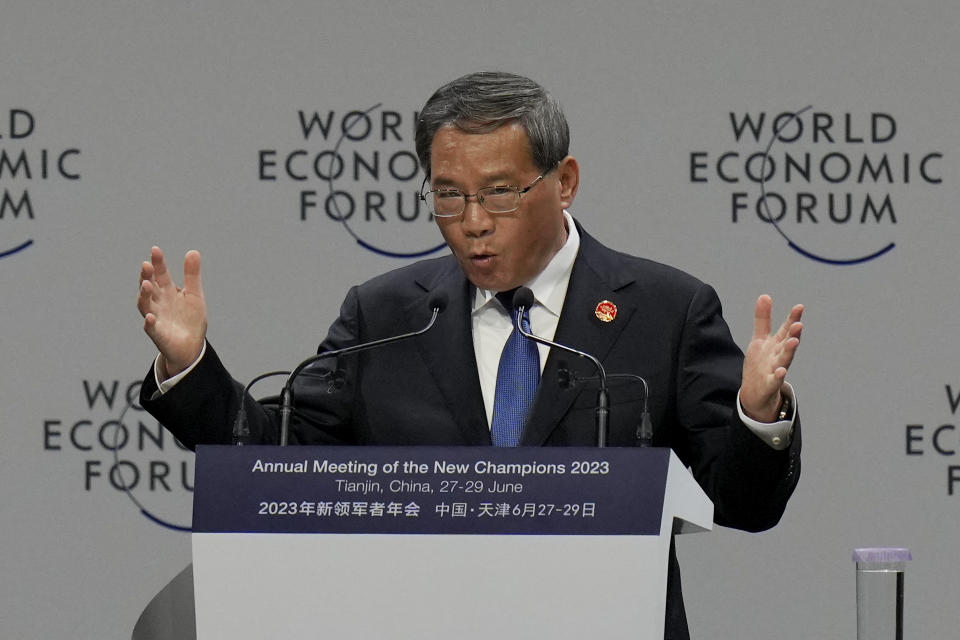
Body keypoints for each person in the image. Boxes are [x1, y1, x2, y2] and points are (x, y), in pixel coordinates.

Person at [136, 71, 803, 640]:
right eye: (449, 194)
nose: (473, 220)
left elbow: (743, 502)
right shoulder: (386, 313)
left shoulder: (664, 309)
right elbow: (277, 462)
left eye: (500, 192)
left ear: (564, 181)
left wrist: (756, 413)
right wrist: (192, 369)